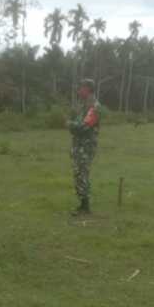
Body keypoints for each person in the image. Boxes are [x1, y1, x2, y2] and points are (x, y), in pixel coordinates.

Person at [67, 78, 101, 215]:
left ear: (87, 89)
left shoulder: (94, 106)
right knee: (78, 174)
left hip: (86, 147)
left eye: (81, 88)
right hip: (79, 146)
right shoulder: (84, 105)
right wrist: (72, 125)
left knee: (82, 174)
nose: (79, 90)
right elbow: (77, 124)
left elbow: (84, 126)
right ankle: (82, 205)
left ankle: (85, 207)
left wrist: (69, 124)